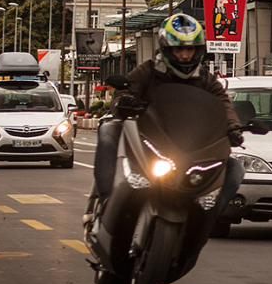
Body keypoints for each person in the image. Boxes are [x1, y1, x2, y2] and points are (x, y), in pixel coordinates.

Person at [92, 14, 244, 209]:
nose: (185, 55)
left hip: (190, 146)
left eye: (190, 49)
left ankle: (209, 214)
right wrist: (124, 101)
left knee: (235, 168)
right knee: (107, 131)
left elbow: (223, 104)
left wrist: (233, 127)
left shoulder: (206, 80)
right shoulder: (148, 71)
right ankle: (106, 199)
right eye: (178, 49)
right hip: (149, 139)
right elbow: (127, 90)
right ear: (166, 49)